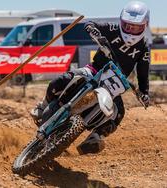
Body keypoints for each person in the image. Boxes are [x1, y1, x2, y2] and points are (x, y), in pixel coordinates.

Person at [30, 1, 150, 155]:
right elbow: (91, 23)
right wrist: (92, 29)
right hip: (94, 70)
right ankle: (43, 106)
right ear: (121, 22)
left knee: (118, 113)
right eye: (128, 26)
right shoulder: (113, 29)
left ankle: (95, 137)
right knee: (60, 81)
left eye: (136, 27)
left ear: (145, 25)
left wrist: (144, 92)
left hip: (114, 84)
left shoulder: (144, 47)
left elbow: (143, 71)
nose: (131, 30)